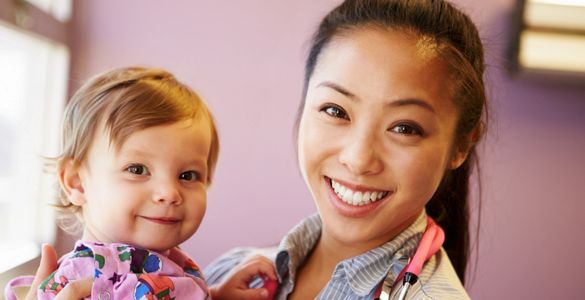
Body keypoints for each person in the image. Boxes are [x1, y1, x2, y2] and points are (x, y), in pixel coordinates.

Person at [25, 0, 487, 298]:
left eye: (404, 127)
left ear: (460, 146)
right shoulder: (235, 272)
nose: (358, 157)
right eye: (336, 111)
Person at [5, 67, 276, 300]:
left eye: (188, 175)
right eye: (137, 169)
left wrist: (216, 294)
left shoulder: (160, 262)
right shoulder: (84, 281)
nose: (170, 193)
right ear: (77, 183)